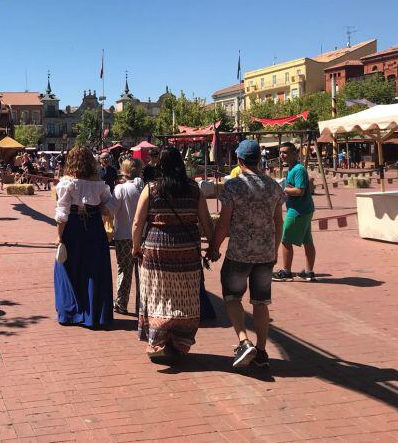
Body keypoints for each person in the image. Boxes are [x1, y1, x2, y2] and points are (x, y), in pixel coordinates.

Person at [132, 148, 217, 360]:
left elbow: (137, 222)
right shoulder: (193, 189)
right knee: (184, 296)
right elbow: (206, 222)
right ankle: (180, 341)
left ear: (160, 165)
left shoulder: (151, 189)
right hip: (187, 249)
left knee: (156, 294)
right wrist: (213, 246)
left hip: (156, 249)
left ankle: (158, 341)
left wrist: (136, 247)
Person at [212, 140, 284, 368]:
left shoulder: (233, 186)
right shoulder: (274, 186)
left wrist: (214, 247)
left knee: (233, 297)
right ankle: (261, 351)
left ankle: (244, 342)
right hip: (264, 253)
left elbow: (223, 224)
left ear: (239, 160)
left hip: (239, 252)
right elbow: (278, 221)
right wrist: (274, 250)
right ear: (259, 159)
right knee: (261, 302)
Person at [54, 146, 115, 329]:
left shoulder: (66, 183)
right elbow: (108, 204)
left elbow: (62, 213)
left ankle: (71, 312)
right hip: (95, 227)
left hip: (73, 227)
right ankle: (95, 314)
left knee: (67, 268)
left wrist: (59, 236)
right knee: (94, 269)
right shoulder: (99, 183)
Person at [273, 142, 317, 282]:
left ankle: (286, 272)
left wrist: (282, 189)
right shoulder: (292, 168)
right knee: (307, 240)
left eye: (285, 152)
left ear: (294, 153)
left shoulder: (298, 169)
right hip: (304, 209)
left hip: (298, 211)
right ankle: (309, 272)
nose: (282, 155)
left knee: (285, 239)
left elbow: (300, 190)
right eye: (280, 152)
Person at [111, 159, 143, 315]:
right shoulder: (145, 188)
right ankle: (141, 305)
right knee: (142, 273)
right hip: (143, 235)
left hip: (123, 234)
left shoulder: (120, 189)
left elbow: (111, 210)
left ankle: (121, 302)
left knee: (124, 270)